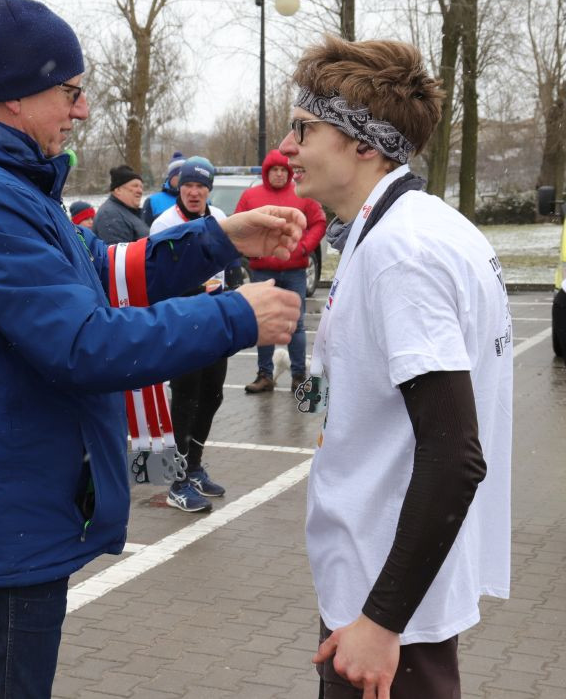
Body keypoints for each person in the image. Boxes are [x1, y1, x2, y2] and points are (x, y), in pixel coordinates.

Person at [0, 0, 304, 697]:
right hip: (3, 530)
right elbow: (82, 342)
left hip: (12, 514)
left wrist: (218, 239)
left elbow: (104, 272)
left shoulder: (8, 187)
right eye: (71, 91)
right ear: (17, 97)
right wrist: (236, 316)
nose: (81, 109)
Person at [281, 36, 511, 698]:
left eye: (305, 128)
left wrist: (381, 620)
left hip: (386, 609)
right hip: (386, 590)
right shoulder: (414, 227)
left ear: (364, 142)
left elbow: (454, 452)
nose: (288, 146)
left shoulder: (402, 252)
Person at [150, 155, 239, 512]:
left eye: (201, 186)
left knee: (212, 395)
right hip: (182, 321)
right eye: (188, 185)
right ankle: (176, 480)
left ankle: (195, 466)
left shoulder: (219, 219)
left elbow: (231, 265)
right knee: (184, 400)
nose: (194, 192)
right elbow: (156, 279)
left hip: (215, 321)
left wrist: (231, 290)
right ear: (178, 186)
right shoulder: (163, 223)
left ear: (209, 190)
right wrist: (192, 292)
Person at [235, 148, 326, 393]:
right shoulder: (250, 196)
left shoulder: (302, 194)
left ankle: (298, 376)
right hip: (262, 272)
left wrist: (305, 246)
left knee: (296, 324)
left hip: (295, 271)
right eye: (273, 170)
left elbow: (319, 221)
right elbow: (238, 225)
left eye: (282, 170)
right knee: (262, 324)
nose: (278, 174)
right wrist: (251, 252)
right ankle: (265, 374)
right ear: (266, 172)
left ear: (288, 172)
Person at [92, 164, 148, 243]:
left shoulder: (130, 212)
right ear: (118, 190)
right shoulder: (110, 215)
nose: (140, 191)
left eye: (141, 187)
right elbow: (118, 253)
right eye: (135, 186)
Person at [141, 150, 186, 225]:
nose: (181, 179)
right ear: (170, 177)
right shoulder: (152, 201)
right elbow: (144, 230)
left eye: (185, 176)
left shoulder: (201, 200)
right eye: (178, 175)